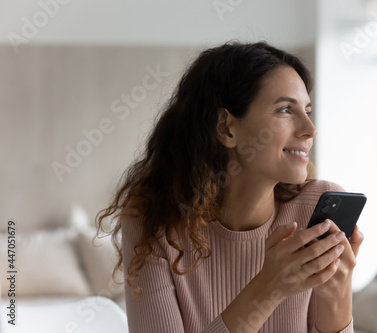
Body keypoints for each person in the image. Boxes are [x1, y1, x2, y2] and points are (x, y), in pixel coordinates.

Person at [96, 41, 363, 333]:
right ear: (226, 128)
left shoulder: (315, 205)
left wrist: (337, 298)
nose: (310, 129)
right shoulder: (153, 223)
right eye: (286, 109)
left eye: (307, 110)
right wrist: (269, 288)